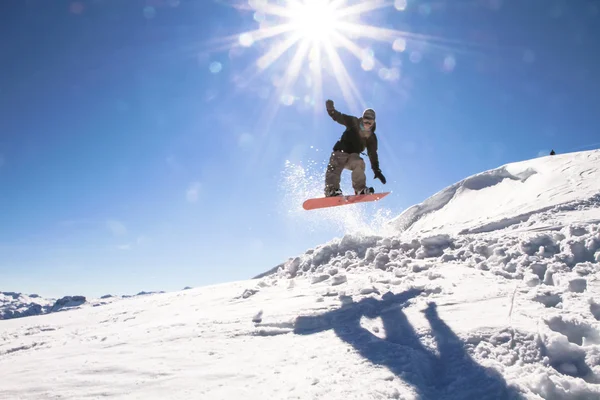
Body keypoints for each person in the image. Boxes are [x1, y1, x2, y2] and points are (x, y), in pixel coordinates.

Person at [323, 99, 386, 197]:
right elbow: (338, 116)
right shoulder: (353, 122)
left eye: (370, 122)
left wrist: (376, 170)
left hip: (353, 156)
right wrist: (331, 110)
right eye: (365, 120)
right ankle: (331, 189)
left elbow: (372, 154)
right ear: (362, 118)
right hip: (341, 151)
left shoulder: (371, 137)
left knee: (359, 162)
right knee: (336, 164)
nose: (367, 124)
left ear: (373, 122)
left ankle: (360, 189)